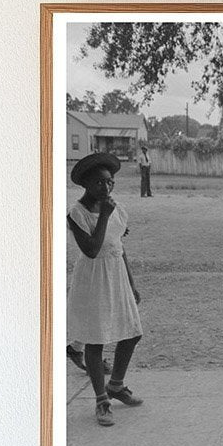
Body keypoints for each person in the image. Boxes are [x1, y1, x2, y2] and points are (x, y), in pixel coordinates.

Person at [66, 152, 143, 427]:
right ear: (86, 184)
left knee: (132, 333)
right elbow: (92, 249)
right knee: (95, 340)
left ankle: (117, 385)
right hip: (93, 279)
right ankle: (101, 400)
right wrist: (103, 216)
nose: (106, 188)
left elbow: (119, 248)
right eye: (99, 183)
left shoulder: (116, 208)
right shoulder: (76, 213)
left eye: (110, 182)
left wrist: (132, 283)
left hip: (117, 275)